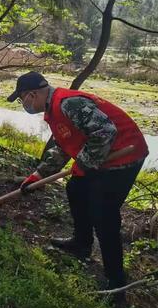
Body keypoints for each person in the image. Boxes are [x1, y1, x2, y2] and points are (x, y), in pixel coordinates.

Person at [8, 71, 148, 291]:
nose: (22, 104)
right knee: (75, 189)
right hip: (102, 156)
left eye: (21, 98)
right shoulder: (54, 110)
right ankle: (81, 244)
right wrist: (38, 176)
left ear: (32, 95)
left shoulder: (68, 104)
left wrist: (84, 163)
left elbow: (105, 132)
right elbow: (64, 146)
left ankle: (115, 280)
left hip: (125, 156)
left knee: (104, 216)